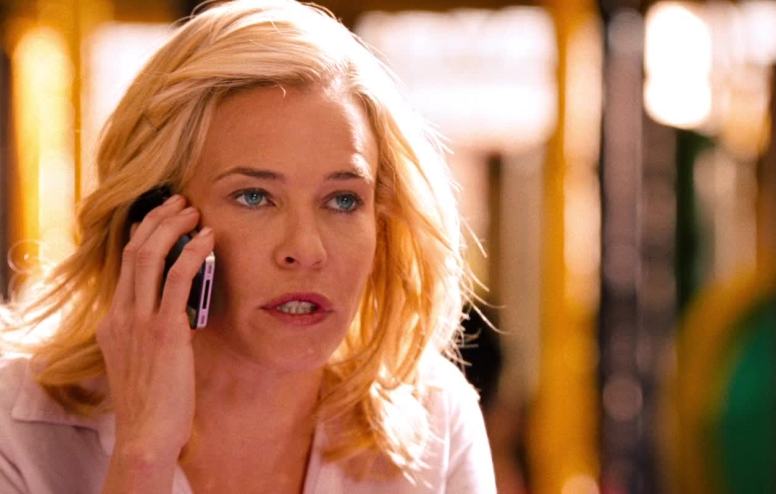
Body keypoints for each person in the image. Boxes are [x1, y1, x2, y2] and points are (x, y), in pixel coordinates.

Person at [0, 0, 496, 492]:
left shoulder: (435, 420)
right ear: (155, 219)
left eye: (343, 200)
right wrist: (142, 455)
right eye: (254, 196)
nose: (306, 249)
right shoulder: (14, 426)